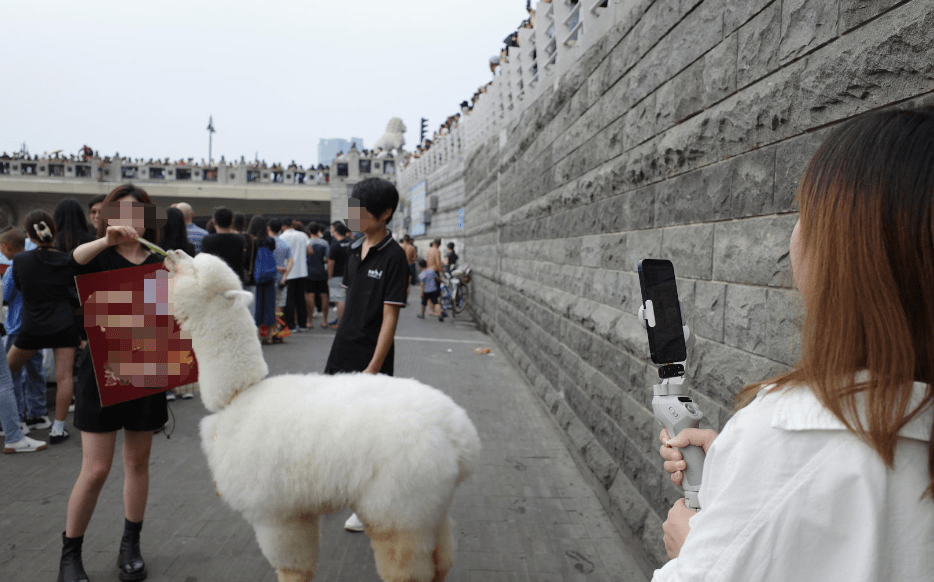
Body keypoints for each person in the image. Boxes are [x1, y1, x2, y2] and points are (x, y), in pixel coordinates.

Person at [653, 107, 934, 581]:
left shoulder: (786, 434)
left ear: (847, 252)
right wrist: (736, 468)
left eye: (804, 212)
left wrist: (689, 549)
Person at [59, 184, 169, 582]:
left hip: (148, 366)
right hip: (101, 371)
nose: (129, 219)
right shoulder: (98, 255)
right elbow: (72, 262)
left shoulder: (161, 260)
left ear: (148, 217)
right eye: (120, 211)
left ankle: (130, 546)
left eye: (137, 211)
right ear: (108, 216)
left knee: (137, 462)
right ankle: (70, 556)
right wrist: (106, 239)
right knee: (95, 470)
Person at [324, 178, 408, 533]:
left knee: (368, 435)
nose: (353, 217)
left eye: (361, 212)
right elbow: (348, 303)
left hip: (370, 358)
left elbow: (390, 318)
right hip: (342, 350)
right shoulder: (353, 249)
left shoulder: (394, 257)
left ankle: (370, 503)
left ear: (385, 213)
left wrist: (373, 367)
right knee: (337, 426)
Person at [7, 211, 80, 445]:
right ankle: (58, 429)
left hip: (32, 325)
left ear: (29, 235)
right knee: (64, 377)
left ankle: (10, 423)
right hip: (64, 324)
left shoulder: (20, 260)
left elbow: (18, 289)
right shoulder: (66, 259)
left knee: (5, 372)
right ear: (54, 231)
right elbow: (73, 291)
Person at [0, 228, 47, 453]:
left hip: (17, 326)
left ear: (6, 247)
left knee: (11, 376)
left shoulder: (13, 269)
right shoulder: (37, 263)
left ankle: (16, 419)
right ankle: (38, 413)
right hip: (36, 324)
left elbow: (6, 295)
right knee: (35, 370)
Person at [248, 215, 278, 345]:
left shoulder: (251, 241)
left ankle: (258, 335)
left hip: (256, 276)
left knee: (257, 305)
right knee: (270, 305)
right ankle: (270, 336)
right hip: (270, 275)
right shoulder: (270, 241)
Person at [279, 218, 309, 332]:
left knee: (289, 299)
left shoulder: (282, 237)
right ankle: (303, 324)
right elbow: (309, 250)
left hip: (288, 272)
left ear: (283, 226)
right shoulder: (302, 235)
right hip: (302, 271)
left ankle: (291, 325)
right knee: (301, 298)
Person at [200, 206, 245, 279]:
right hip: (235, 280)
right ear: (232, 221)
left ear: (214, 222)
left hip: (215, 280)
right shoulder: (240, 239)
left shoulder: (207, 240)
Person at [267, 218, 293, 341]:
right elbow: (291, 261)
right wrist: (285, 275)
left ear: (268, 228)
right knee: (279, 305)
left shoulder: (267, 243)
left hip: (269, 278)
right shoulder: (284, 244)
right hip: (281, 280)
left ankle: (270, 333)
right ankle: (278, 330)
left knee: (269, 305)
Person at [327, 221, 352, 328]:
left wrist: (329, 276)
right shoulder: (351, 243)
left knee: (340, 299)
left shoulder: (335, 245)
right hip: (350, 275)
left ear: (336, 232)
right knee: (346, 299)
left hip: (337, 275)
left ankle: (340, 323)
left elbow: (330, 263)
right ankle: (344, 321)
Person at [305, 222, 330, 328]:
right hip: (321, 272)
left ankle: (309, 321)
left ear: (309, 231)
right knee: (324, 296)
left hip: (309, 272)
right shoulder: (324, 243)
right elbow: (327, 258)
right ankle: (325, 321)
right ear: (319, 231)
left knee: (310, 296)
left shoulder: (307, 242)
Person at [400, 234, 418, 305]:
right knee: (407, 284)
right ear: (410, 240)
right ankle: (405, 300)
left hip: (401, 265)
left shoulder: (400, 246)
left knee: (400, 282)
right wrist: (410, 259)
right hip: (409, 265)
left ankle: (399, 299)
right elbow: (415, 258)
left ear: (404, 239)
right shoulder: (412, 248)